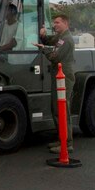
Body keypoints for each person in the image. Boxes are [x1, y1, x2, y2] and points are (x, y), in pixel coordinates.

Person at [35, 14, 75, 153]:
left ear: (65, 23)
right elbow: (51, 41)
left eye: (57, 22)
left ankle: (67, 143)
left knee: (62, 109)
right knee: (56, 108)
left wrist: (43, 49)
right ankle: (61, 139)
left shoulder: (66, 40)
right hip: (59, 76)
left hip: (64, 77)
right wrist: (43, 37)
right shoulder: (61, 37)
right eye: (54, 22)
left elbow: (55, 57)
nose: (54, 25)